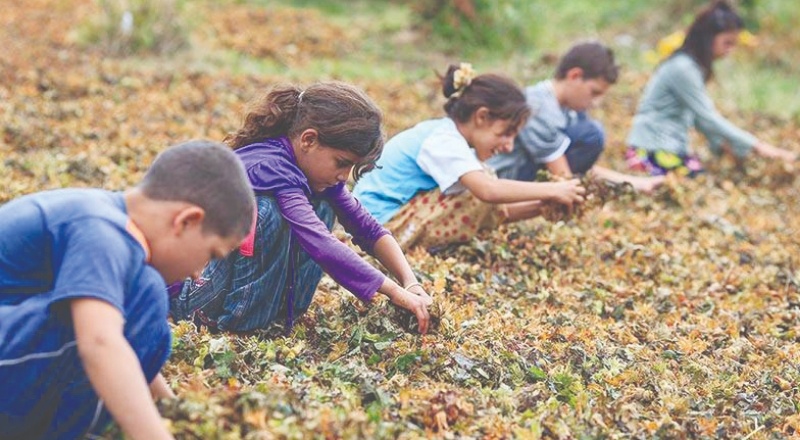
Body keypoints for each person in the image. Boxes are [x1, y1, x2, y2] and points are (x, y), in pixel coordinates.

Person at [0, 140, 255, 440]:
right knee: (142, 299)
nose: (199, 272)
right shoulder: (101, 231)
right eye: (211, 254)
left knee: (148, 304)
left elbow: (131, 343)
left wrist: (174, 411)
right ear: (187, 221)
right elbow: (100, 343)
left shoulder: (108, 220)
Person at [170, 82, 433, 334]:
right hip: (190, 296)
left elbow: (367, 229)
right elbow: (321, 244)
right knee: (265, 213)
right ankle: (239, 325)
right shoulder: (270, 166)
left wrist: (410, 282)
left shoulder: (313, 172)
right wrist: (395, 293)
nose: (344, 176)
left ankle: (278, 315)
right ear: (308, 140)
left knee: (324, 205)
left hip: (220, 287)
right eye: (341, 163)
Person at [352, 63, 586, 251]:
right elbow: (488, 192)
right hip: (376, 227)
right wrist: (554, 189)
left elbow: (492, 207)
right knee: (479, 188)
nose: (508, 146)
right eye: (505, 134)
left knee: (480, 184)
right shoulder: (443, 140)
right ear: (482, 116)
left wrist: (542, 205)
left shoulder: (450, 138)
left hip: (381, 222)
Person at [626, 0, 797, 177]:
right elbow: (707, 117)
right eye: (727, 43)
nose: (730, 50)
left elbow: (700, 120)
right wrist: (759, 147)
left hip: (668, 146)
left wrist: (725, 145)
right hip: (652, 149)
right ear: (708, 37)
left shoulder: (692, 67)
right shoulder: (682, 68)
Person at [487, 42, 665, 192]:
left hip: (529, 172)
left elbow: (579, 167)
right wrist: (577, 200)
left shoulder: (569, 111)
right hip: (503, 178)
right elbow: (562, 175)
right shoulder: (538, 107)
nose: (596, 102)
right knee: (592, 134)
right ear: (574, 76)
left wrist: (635, 184)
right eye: (594, 92)